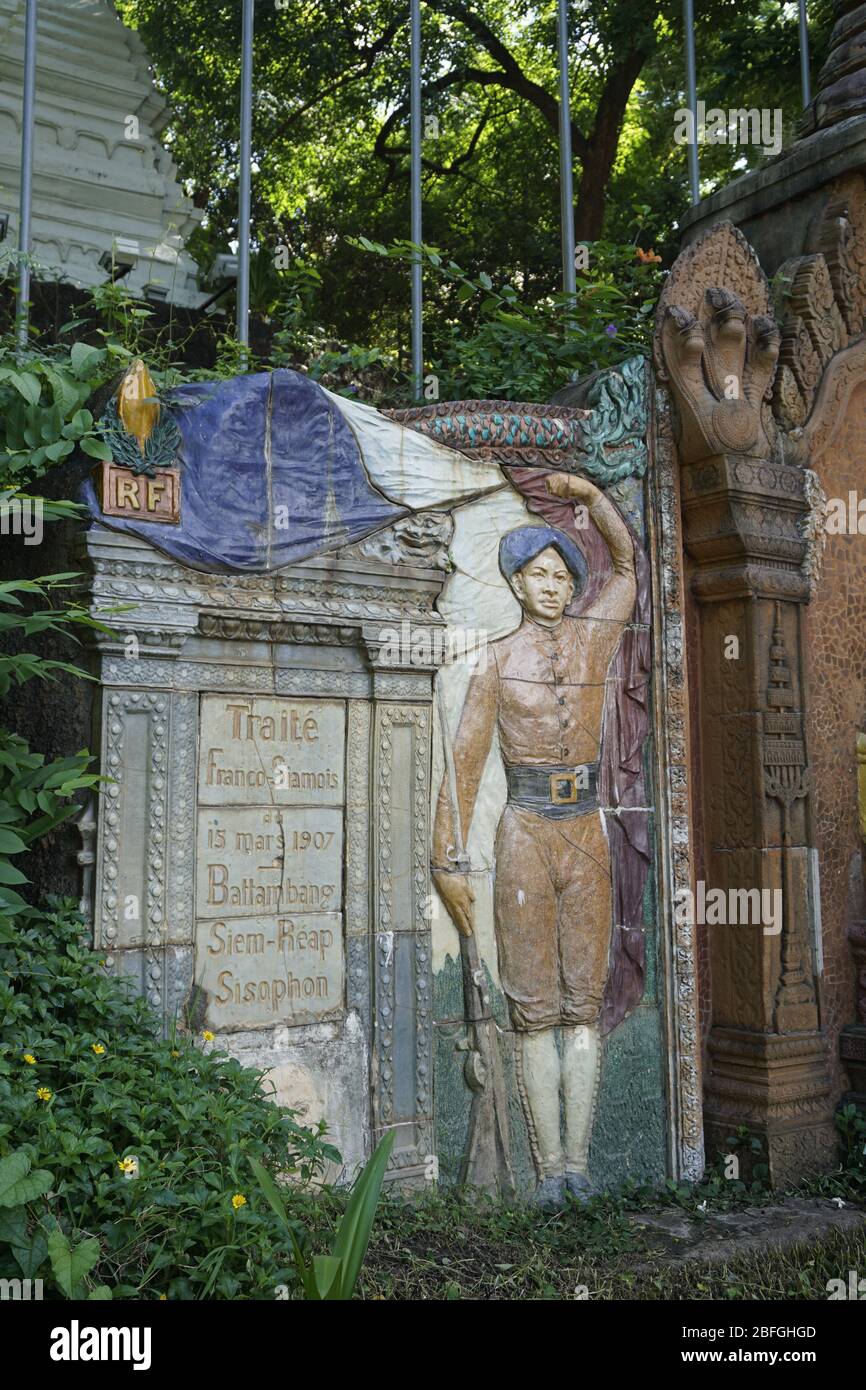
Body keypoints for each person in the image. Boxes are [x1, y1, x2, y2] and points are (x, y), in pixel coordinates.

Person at [432, 472, 637, 1206]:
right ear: (517, 584)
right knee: (534, 1005)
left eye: (560, 575)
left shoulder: (594, 640)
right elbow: (462, 763)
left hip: (585, 832)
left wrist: (587, 493)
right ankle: (548, 1171)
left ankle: (579, 1163)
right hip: (522, 833)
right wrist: (447, 854)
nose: (550, 586)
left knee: (583, 1001)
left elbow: (630, 566)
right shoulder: (493, 661)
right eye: (537, 575)